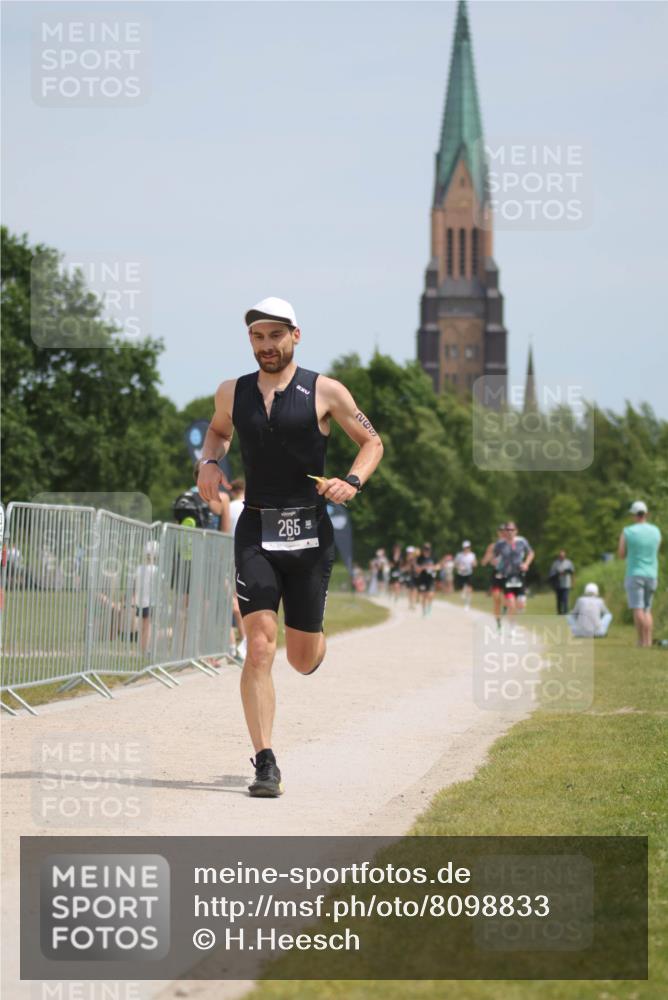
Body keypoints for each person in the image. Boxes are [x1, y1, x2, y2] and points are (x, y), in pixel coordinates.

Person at [197, 297, 384, 797]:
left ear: (295, 336)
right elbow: (216, 434)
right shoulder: (231, 393)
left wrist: (352, 481)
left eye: (275, 336)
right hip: (256, 531)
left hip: (309, 536)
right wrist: (208, 463)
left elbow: (372, 443)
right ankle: (265, 762)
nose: (266, 346)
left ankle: (314, 642)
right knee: (258, 647)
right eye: (257, 337)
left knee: (301, 659)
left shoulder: (325, 390)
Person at [618, 500, 662, 647]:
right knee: (647, 608)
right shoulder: (656, 531)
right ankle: (648, 641)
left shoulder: (628, 531)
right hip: (652, 574)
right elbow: (656, 550)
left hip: (635, 573)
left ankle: (641, 641)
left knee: (638, 608)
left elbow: (621, 554)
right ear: (646, 514)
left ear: (633, 515)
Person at [497, 522, 534, 629]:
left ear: (516, 531)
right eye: (507, 530)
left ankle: (518, 607)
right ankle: (512, 627)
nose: (509, 532)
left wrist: (526, 564)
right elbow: (494, 556)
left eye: (512, 530)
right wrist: (498, 566)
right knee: (511, 603)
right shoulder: (501, 544)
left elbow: (531, 553)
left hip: (519, 575)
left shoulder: (522, 541)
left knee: (521, 605)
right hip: (507, 576)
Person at [132, 540, 159, 653]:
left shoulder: (139, 568)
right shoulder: (156, 570)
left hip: (140, 601)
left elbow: (134, 584)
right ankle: (146, 649)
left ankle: (142, 648)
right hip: (151, 602)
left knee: (142, 626)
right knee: (149, 627)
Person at [481, 525, 507, 630]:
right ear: (498, 533)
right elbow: (484, 562)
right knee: (496, 598)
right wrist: (489, 559)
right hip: (496, 574)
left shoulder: (511, 544)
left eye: (504, 531)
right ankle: (498, 622)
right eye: (500, 531)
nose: (502, 533)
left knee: (508, 598)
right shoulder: (493, 546)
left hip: (508, 574)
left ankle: (505, 609)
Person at [548, 549, 575, 615]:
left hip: (566, 584)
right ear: (559, 556)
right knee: (559, 599)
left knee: (565, 598)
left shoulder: (569, 562)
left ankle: (565, 612)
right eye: (561, 555)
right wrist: (557, 573)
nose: (562, 557)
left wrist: (573, 582)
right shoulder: (555, 563)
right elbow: (551, 573)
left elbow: (572, 573)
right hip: (558, 584)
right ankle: (559, 612)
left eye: (563, 555)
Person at [416, 542, 438, 616]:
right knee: (424, 595)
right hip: (422, 578)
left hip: (431, 578)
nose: (426, 551)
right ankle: (424, 611)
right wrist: (423, 567)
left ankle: (429, 607)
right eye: (425, 549)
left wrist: (433, 567)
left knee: (430, 595)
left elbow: (438, 566)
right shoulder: (420, 558)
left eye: (428, 549)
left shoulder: (433, 557)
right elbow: (417, 569)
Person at [454, 541, 477, 610]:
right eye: (465, 547)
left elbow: (475, 563)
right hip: (461, 573)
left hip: (469, 573)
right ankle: (463, 591)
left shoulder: (472, 555)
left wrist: (473, 564)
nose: (466, 549)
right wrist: (459, 567)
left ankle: (467, 604)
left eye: (468, 547)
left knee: (469, 588)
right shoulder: (459, 555)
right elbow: (456, 564)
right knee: (462, 588)